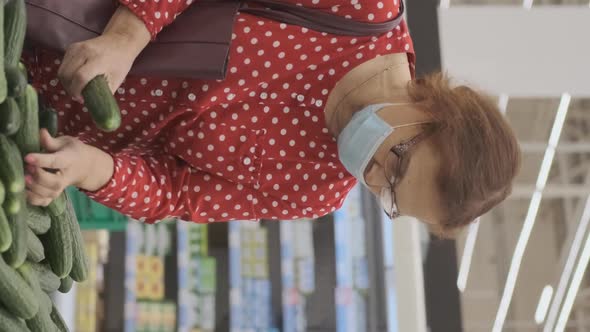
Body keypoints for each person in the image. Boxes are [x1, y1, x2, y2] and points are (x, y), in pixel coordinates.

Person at [22, 0, 521, 237]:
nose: (372, 174)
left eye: (388, 194)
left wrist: (90, 168)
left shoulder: (315, 191)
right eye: (398, 162)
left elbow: (177, 192)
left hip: (33, 118)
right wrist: (126, 38)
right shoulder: (364, 10)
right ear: (438, 107)